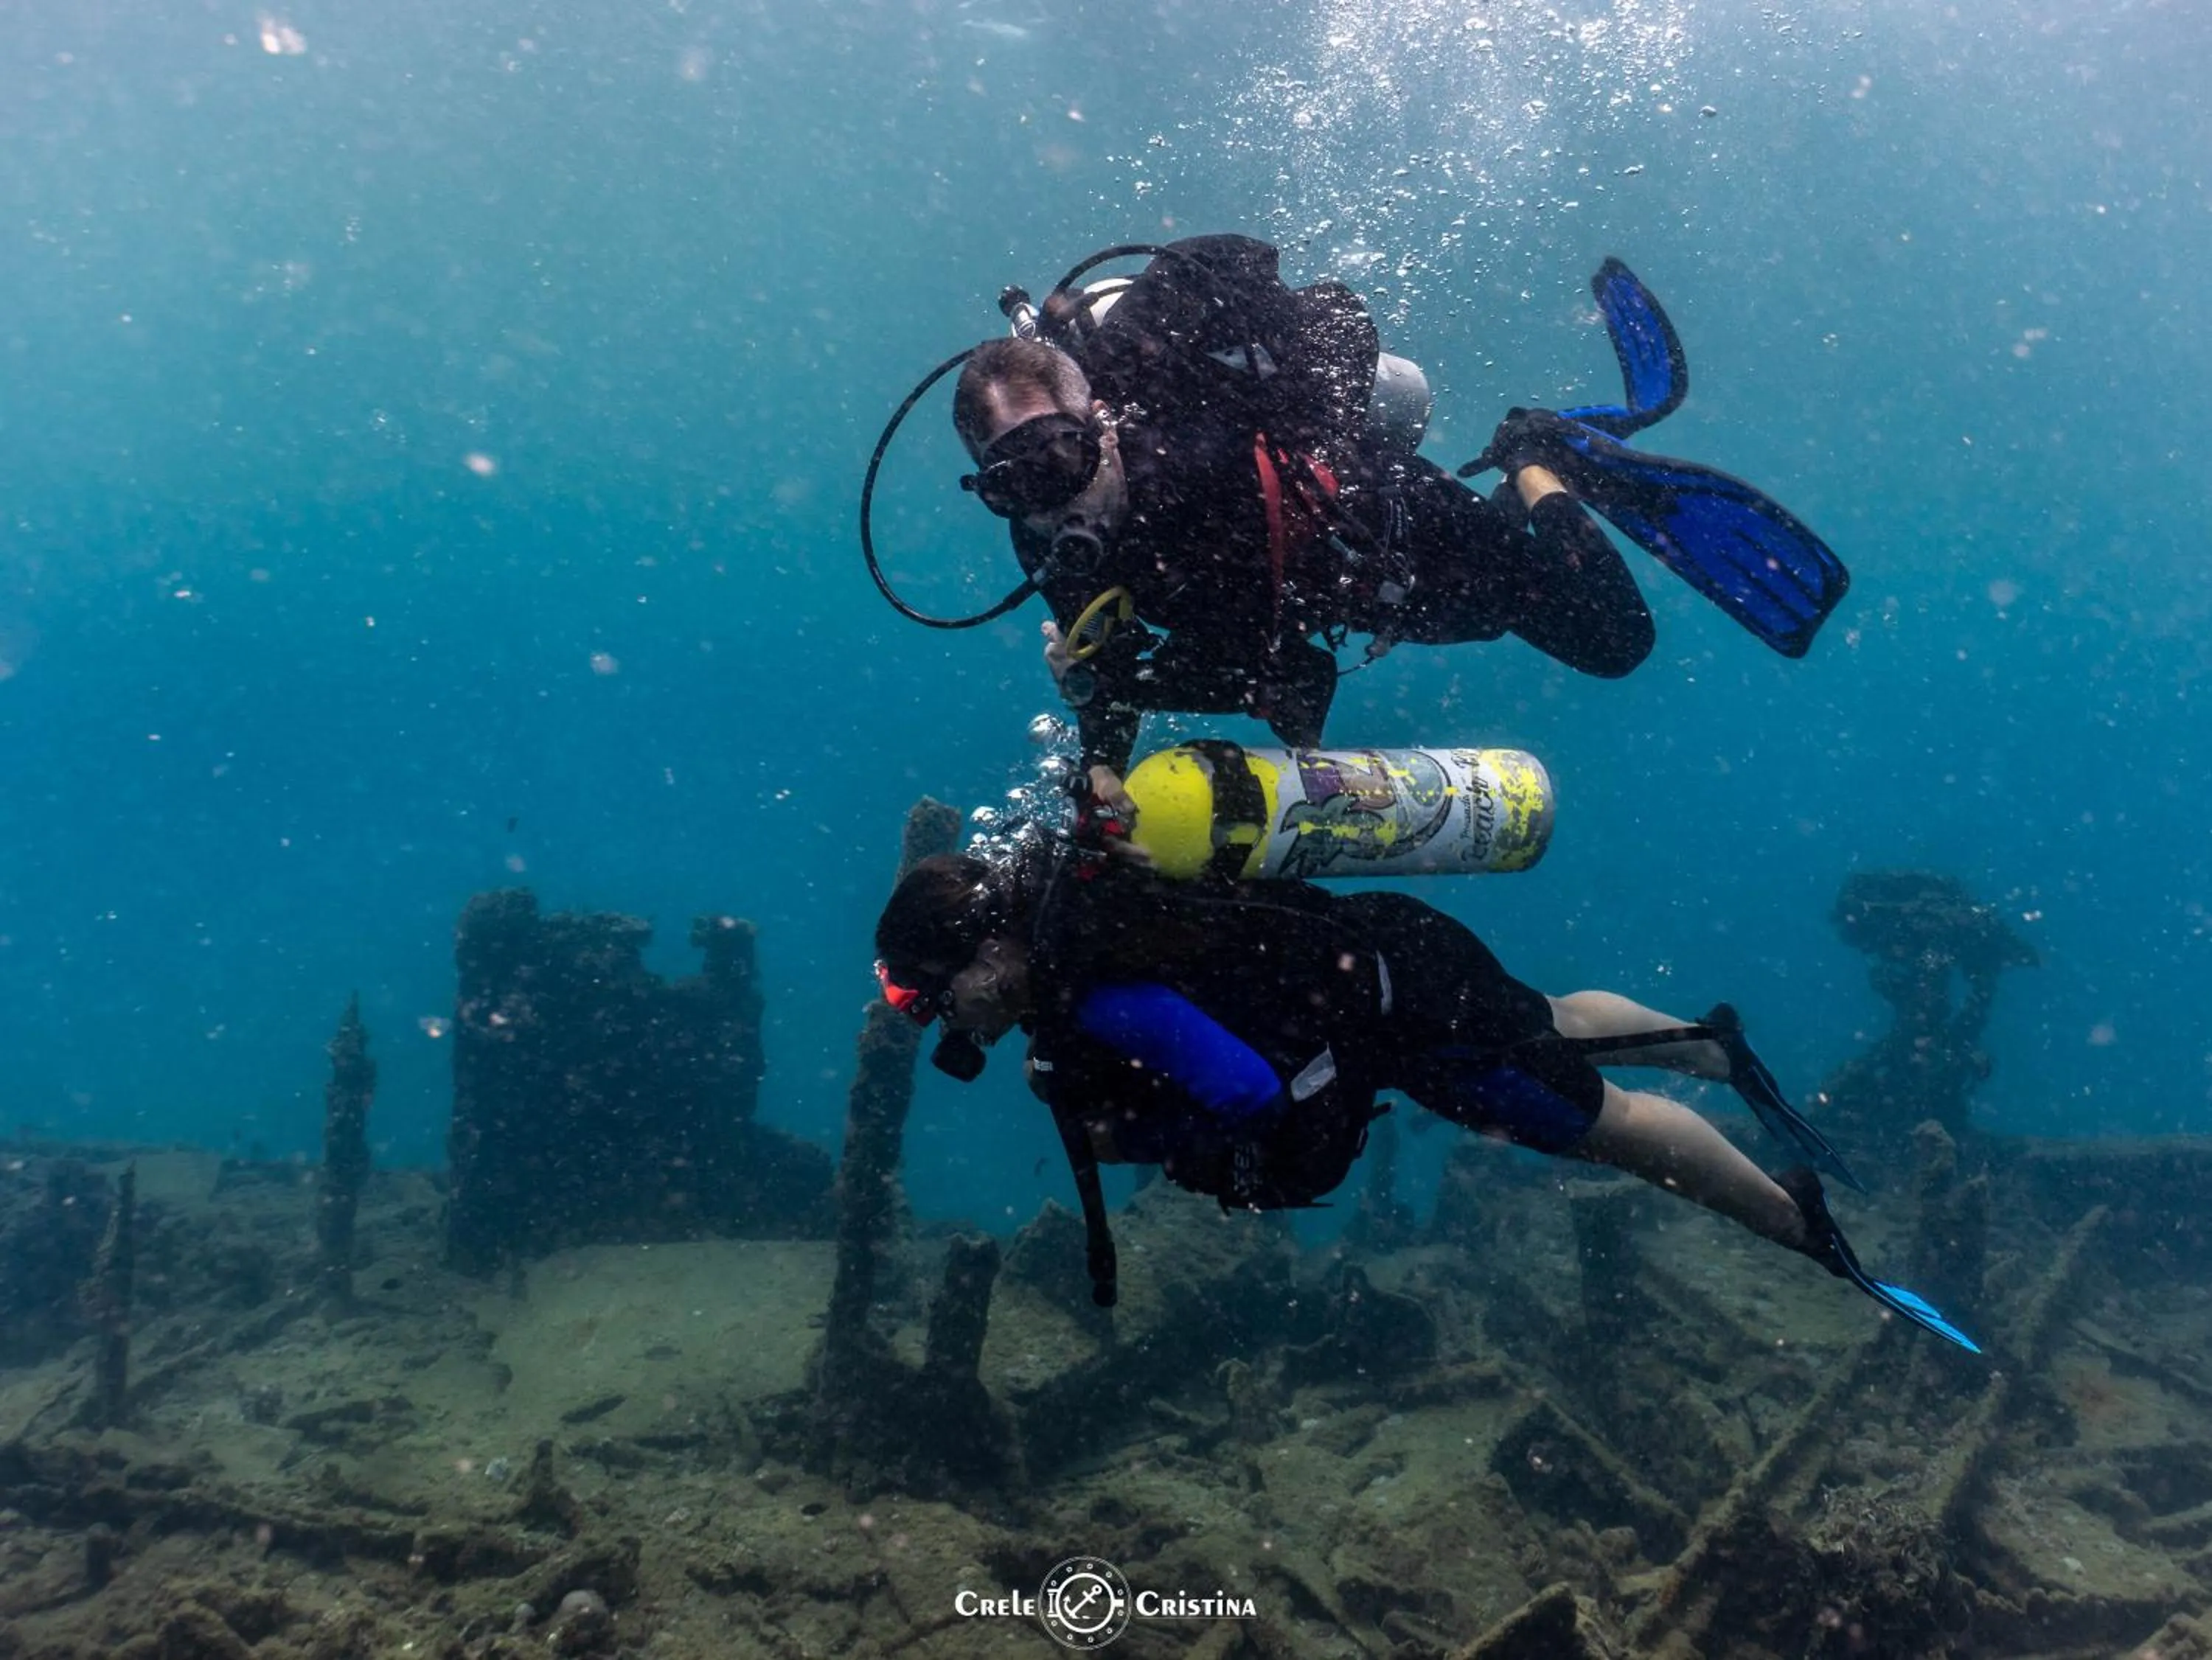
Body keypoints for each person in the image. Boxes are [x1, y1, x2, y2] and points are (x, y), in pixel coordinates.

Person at [872, 845, 1980, 1352]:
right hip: (1396, 951)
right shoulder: (1087, 899)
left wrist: (1155, 1143)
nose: (940, 1021)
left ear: (982, 953)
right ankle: (1709, 1048)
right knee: (1539, 1014)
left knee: (1611, 1133)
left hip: (1409, 1021)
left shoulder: (1099, 992)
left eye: (931, 999)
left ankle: (1799, 1223)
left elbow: (1250, 1093)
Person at [943, 237, 1848, 774]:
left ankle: (1537, 459)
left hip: (1411, 541)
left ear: (1098, 421)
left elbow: (1290, 674)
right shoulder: (1044, 537)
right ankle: (1529, 468)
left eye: (1059, 456)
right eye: (1012, 483)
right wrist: (1101, 761)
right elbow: (1126, 657)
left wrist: (1110, 682)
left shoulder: (1193, 470)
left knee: (1617, 643)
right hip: (1357, 603)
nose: (1051, 502)